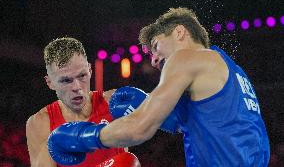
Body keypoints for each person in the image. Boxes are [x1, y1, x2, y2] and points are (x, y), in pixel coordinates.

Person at [47, 8, 271, 166]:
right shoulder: (231, 71)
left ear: (180, 32)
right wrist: (157, 111)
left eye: (155, 46)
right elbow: (212, 129)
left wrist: (82, 137)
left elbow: (139, 129)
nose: (153, 60)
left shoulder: (186, 58)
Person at [25, 37, 127, 167]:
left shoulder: (115, 102)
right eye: (66, 81)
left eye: (82, 76)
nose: (76, 87)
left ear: (90, 70)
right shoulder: (40, 123)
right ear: (50, 83)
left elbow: (156, 115)